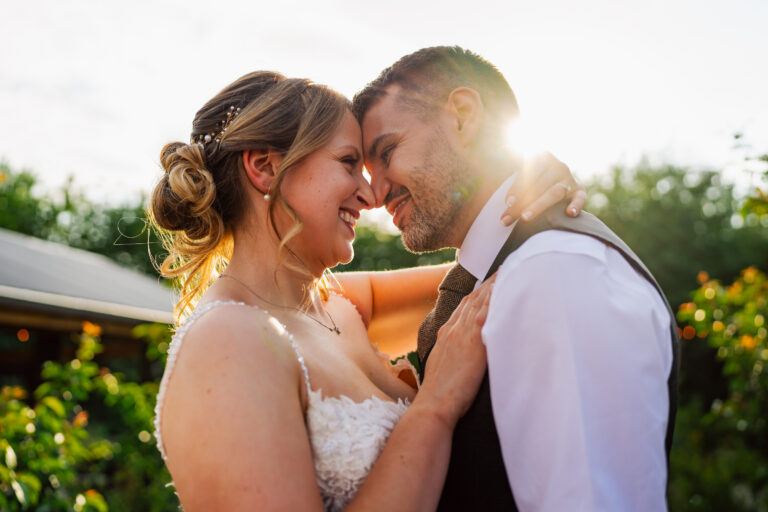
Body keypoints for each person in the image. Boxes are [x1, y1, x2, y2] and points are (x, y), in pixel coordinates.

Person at [151, 70, 585, 511]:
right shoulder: (226, 342)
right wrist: (435, 404)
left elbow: (489, 269)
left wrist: (521, 192)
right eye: (347, 163)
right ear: (266, 168)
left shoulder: (336, 307)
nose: (370, 194)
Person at [352, 45, 680, 511]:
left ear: (464, 116)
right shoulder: (503, 271)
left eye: (387, 153)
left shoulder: (558, 271)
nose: (375, 191)